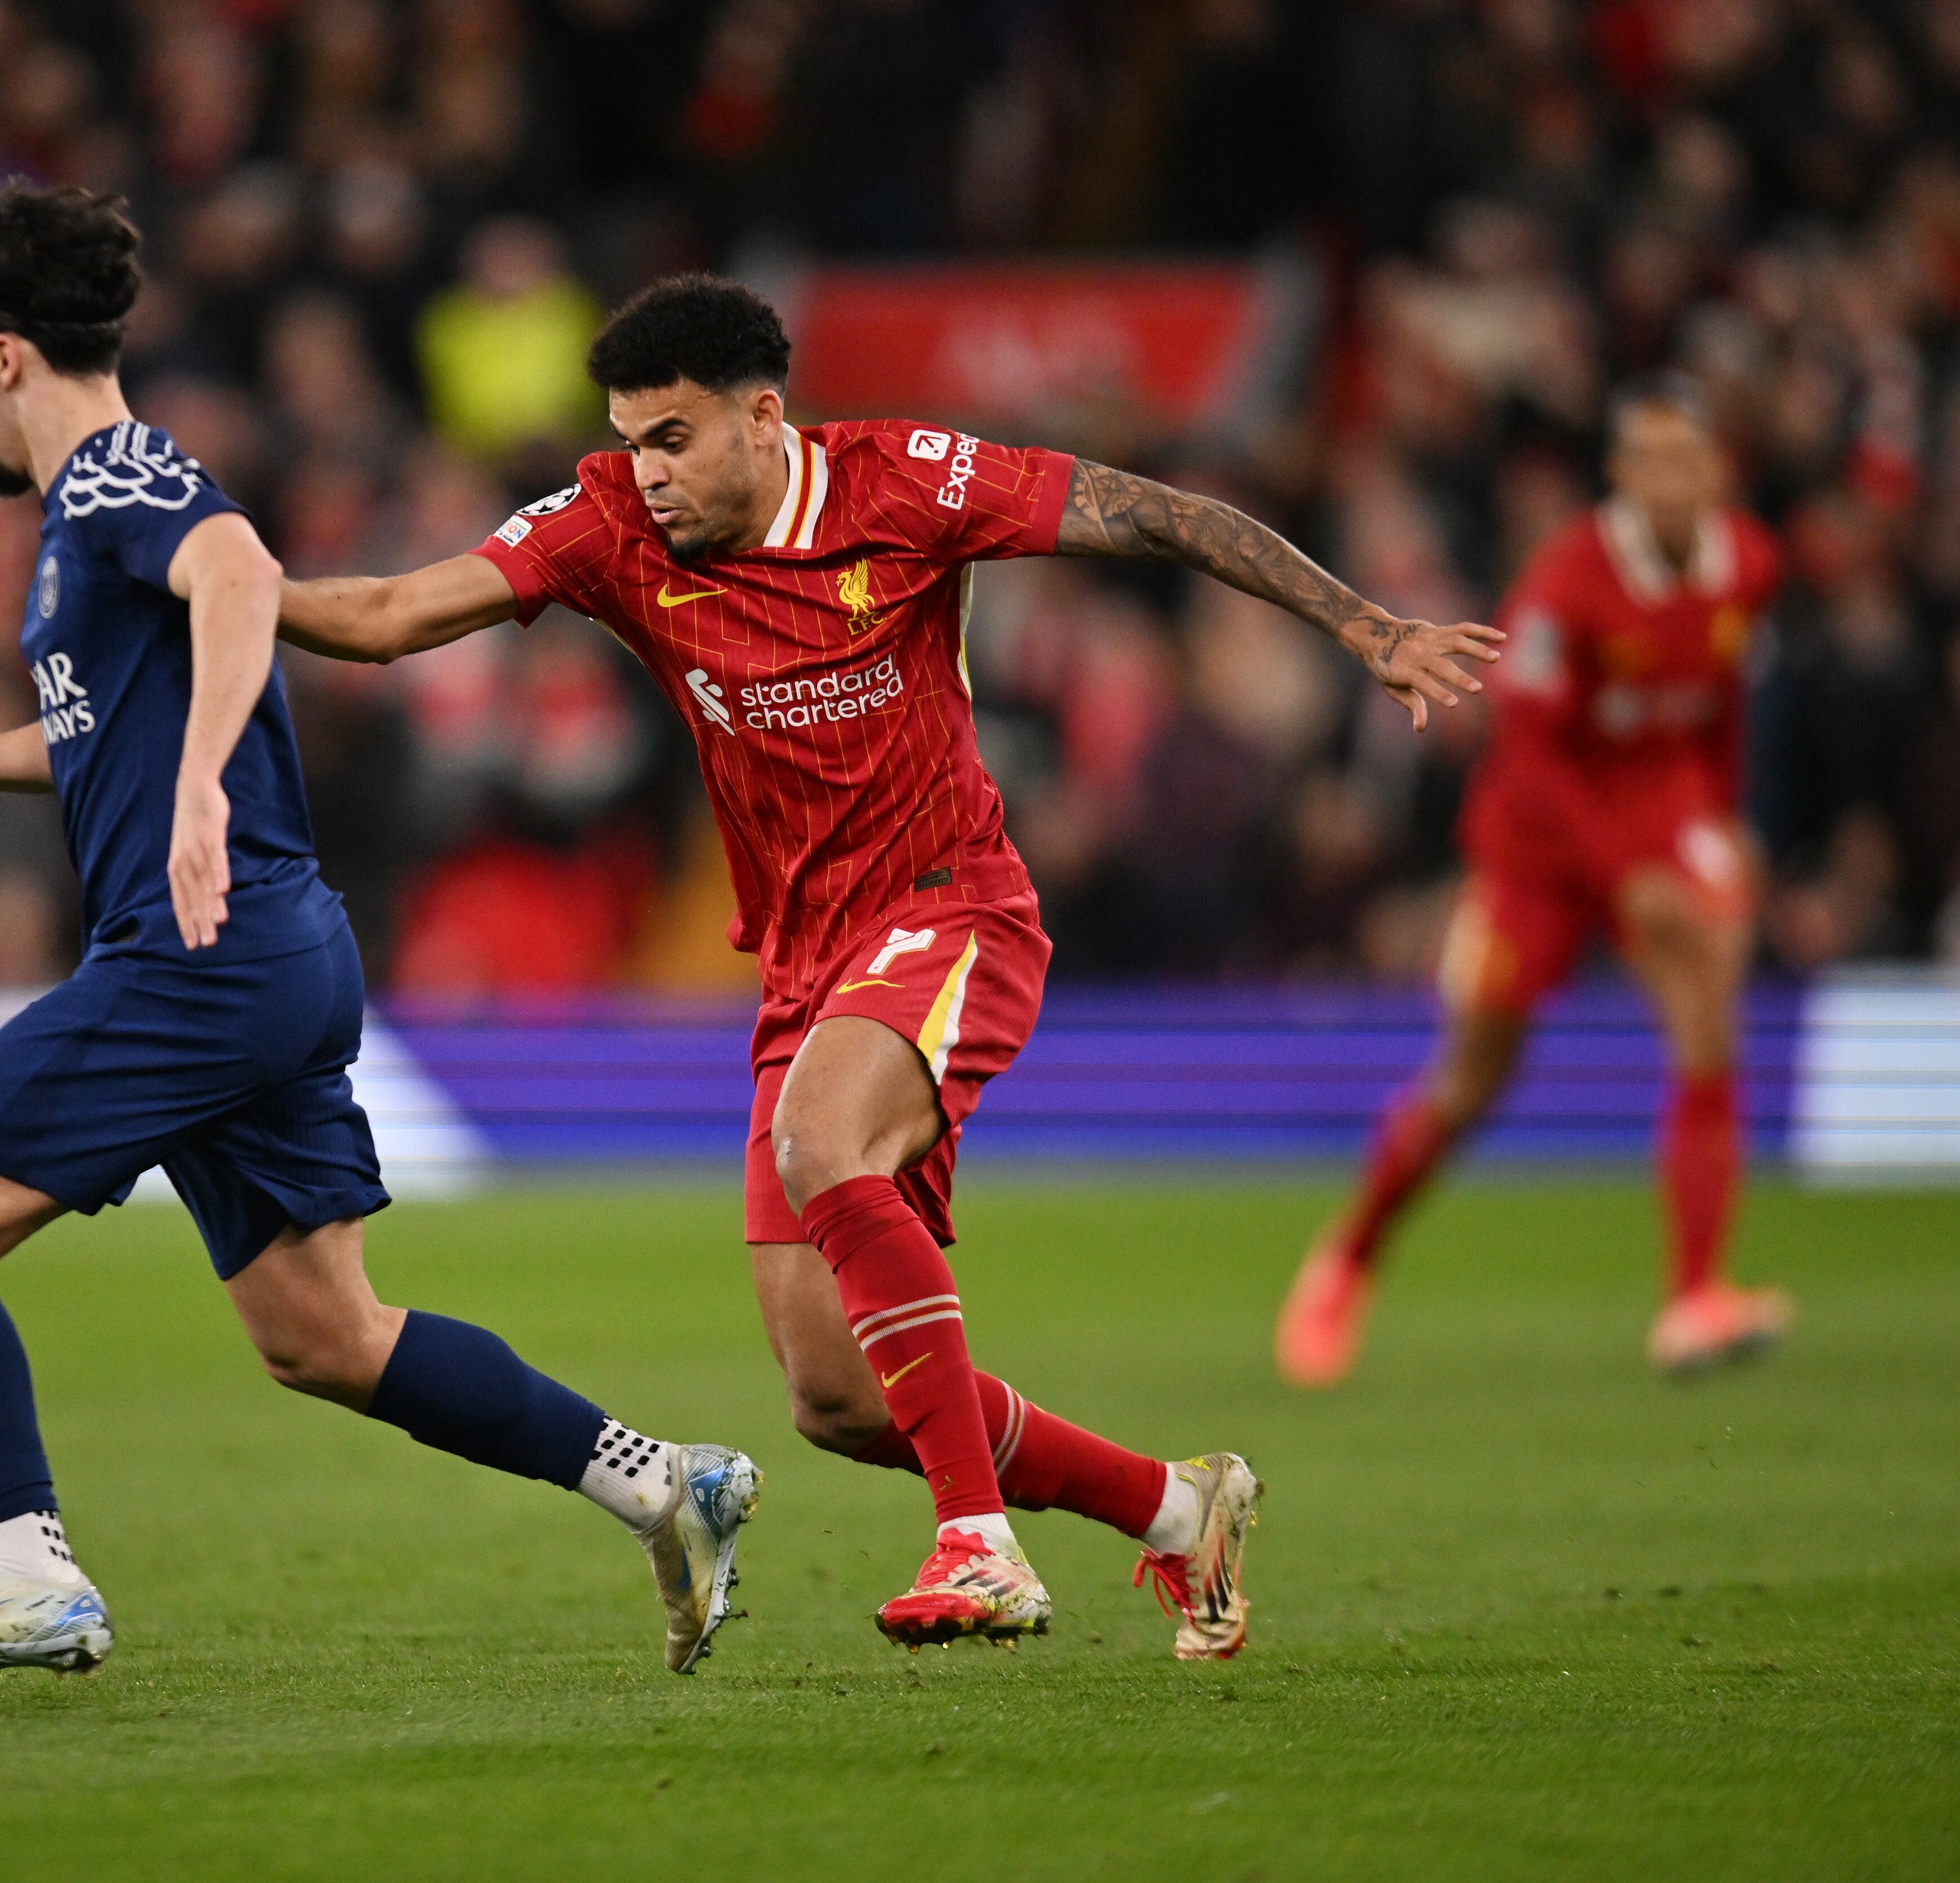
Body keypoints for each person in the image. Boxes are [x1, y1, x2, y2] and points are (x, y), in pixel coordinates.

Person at [277, 274, 1500, 1656]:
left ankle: (980, 1545)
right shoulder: (611, 524)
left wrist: (1364, 626)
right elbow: (384, 613)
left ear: (762, 414)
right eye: (628, 438)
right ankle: (1176, 1508)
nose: (646, 471)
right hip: (803, 960)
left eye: (672, 437)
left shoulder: (907, 482)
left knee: (820, 1139)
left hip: (948, 906)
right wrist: (214, 583)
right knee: (839, 1398)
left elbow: (1160, 513)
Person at [0, 184, 759, 1692]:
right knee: (326, 1333)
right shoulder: (82, 523)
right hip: (275, 949)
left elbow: (241, 572)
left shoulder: (116, 480)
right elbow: (93, 737)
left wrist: (192, 799)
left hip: (199, 952)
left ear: (7, 354)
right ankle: (660, 1481)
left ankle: (27, 1571)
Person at [1278, 381, 1793, 1386]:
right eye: (1656, 462)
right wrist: (1624, 874)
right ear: (1625, 477)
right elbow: (1533, 756)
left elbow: (1718, 705)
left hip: (1658, 814)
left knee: (1708, 1025)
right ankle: (1346, 1257)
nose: (1678, 481)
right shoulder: (1567, 585)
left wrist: (1723, 823)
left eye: (1694, 460)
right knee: (1474, 1080)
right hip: (1539, 844)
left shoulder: (1749, 567)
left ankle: (1695, 1297)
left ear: (1718, 471)